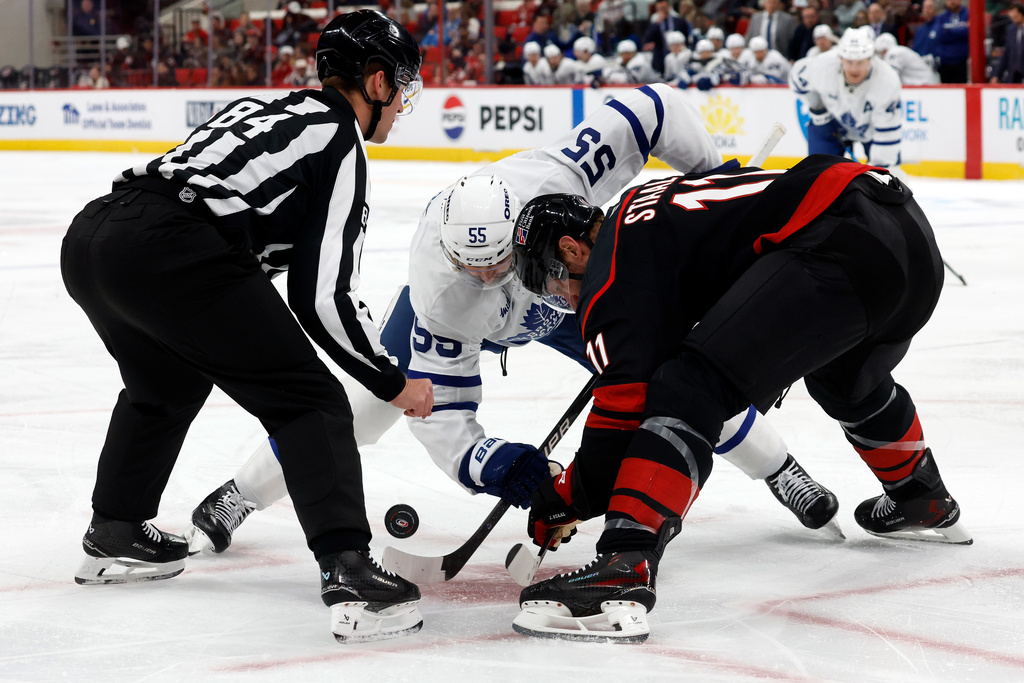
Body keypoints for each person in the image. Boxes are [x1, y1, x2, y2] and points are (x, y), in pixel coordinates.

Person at [184, 84, 841, 560]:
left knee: (684, 379)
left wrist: (713, 178)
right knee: (364, 406)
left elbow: (652, 108)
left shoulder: (554, 175)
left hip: (572, 289)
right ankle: (241, 491)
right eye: (474, 266)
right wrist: (498, 465)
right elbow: (440, 417)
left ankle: (779, 467)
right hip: (499, 317)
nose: (488, 275)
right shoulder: (443, 293)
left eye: (498, 260)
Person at [60, 10, 432, 644]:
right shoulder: (340, 141)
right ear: (375, 84)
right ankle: (348, 572)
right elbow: (321, 297)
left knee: (165, 385)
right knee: (310, 400)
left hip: (97, 235)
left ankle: (116, 530)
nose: (402, 105)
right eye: (402, 88)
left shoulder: (267, 108)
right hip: (173, 248)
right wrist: (389, 380)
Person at [509, 154, 971, 643]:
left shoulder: (607, 278)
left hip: (841, 244)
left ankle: (625, 564)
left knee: (690, 387)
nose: (562, 299)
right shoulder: (641, 210)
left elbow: (619, 425)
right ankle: (918, 494)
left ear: (572, 249)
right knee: (846, 379)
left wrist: (566, 497)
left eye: (551, 282)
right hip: (905, 237)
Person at [790, 27, 905, 172]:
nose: (854, 69)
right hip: (832, 122)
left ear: (871, 59)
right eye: (849, 62)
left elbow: (887, 133)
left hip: (871, 129)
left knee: (888, 176)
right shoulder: (823, 65)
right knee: (818, 174)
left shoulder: (887, 81)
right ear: (841, 58)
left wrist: (880, 173)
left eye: (860, 62)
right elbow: (796, 78)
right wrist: (818, 108)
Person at [642, 0, 691, 73]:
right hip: (660, 59)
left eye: (664, 8)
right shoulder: (654, 23)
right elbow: (647, 38)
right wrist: (657, 23)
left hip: (678, 57)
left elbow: (686, 39)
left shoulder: (679, 21)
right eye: (659, 8)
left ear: (669, 7)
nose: (662, 10)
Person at [875, 32, 940, 84]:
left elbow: (890, 78)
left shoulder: (894, 53)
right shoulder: (900, 50)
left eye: (880, 52)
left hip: (925, 86)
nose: (881, 55)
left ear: (884, 49)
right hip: (925, 85)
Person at [934, 0, 969, 83]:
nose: (952, 1)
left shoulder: (968, 14)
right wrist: (961, 31)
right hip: (945, 62)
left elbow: (969, 33)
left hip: (963, 61)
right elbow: (940, 35)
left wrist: (948, 30)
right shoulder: (941, 17)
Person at [991, 2, 1024, 84]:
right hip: (1014, 75)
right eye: (1012, 16)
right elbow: (1006, 54)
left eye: (1016, 15)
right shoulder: (1011, 29)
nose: (1013, 18)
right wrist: (997, 75)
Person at [911, 0, 941, 68]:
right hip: (920, 67)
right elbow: (915, 49)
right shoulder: (920, 30)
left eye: (930, 7)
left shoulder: (940, 26)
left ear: (935, 9)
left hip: (935, 67)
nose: (926, 10)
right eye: (925, 8)